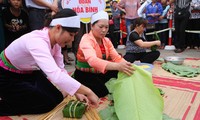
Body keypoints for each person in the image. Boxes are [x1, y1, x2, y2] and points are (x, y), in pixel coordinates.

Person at [0, 8, 99, 116]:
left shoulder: (55, 44)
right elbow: (56, 75)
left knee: (56, 97)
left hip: (29, 72)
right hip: (6, 76)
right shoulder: (37, 41)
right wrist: (88, 92)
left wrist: (76, 91)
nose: (72, 40)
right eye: (71, 35)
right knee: (45, 104)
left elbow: (61, 70)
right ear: (58, 28)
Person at [73, 11, 134, 98]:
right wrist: (117, 66)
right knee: (102, 92)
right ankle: (79, 85)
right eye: (101, 27)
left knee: (123, 72)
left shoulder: (106, 40)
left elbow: (116, 57)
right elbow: (92, 61)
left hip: (100, 72)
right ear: (92, 26)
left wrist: (126, 66)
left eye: (106, 27)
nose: (104, 30)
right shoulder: (86, 39)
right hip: (85, 74)